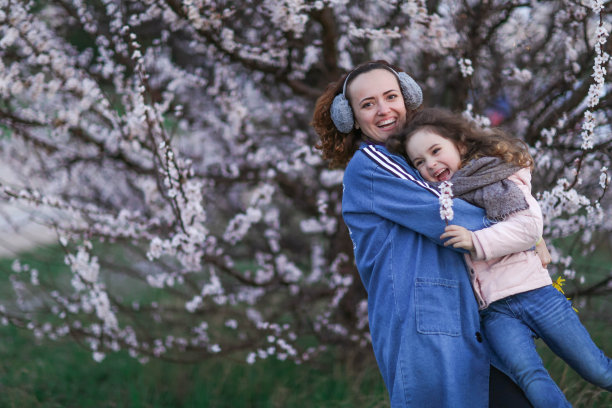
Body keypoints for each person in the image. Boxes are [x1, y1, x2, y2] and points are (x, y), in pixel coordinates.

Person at [312, 60, 535, 407]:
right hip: (424, 327)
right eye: (368, 104)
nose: (384, 110)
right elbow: (453, 215)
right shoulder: (373, 164)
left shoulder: (413, 155)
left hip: (457, 316)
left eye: (390, 97)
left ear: (407, 97)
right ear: (351, 117)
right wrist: (523, 221)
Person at [387, 107, 612, 407]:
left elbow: (526, 225)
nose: (430, 163)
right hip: (494, 313)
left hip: (536, 293)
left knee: (596, 369)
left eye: (436, 150)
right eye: (419, 161)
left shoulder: (493, 178)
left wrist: (477, 240)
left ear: (461, 145)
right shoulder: (436, 202)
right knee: (530, 377)